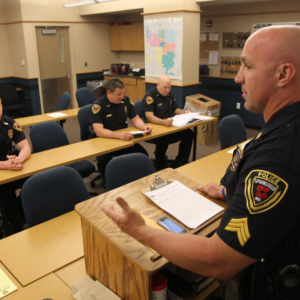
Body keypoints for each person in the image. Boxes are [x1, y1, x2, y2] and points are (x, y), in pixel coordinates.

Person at [101, 25, 300, 299]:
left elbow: (217, 261)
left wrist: (140, 231)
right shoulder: (285, 128)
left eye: (248, 66)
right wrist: (227, 191)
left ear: (283, 74)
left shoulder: (278, 158)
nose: (238, 77)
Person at [90, 77, 152, 177]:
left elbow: (135, 119)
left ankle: (134, 176)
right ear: (109, 93)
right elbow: (98, 131)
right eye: (118, 94)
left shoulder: (125, 100)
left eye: (123, 93)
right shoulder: (98, 105)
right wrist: (118, 135)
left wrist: (144, 127)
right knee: (104, 163)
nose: (122, 97)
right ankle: (108, 181)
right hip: (105, 140)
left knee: (143, 155)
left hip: (122, 138)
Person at [142, 75, 194, 170]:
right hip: (156, 128)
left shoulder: (169, 94)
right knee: (164, 137)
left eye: (169, 87)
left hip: (169, 125)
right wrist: (163, 122)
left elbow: (175, 109)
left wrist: (184, 112)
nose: (167, 90)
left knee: (189, 134)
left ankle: (180, 161)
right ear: (158, 85)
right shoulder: (150, 96)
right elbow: (149, 117)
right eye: (165, 87)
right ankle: (160, 164)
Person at [0, 99, 31, 234]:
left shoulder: (10, 123)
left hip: (10, 165)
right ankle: (16, 226)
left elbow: (25, 147)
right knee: (6, 190)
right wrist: (4, 165)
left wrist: (19, 159)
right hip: (3, 169)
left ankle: (23, 215)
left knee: (31, 181)